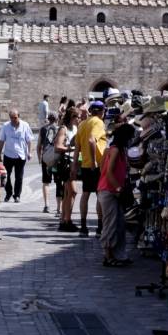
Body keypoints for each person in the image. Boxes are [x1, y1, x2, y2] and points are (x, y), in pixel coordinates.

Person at [98, 123, 135, 267]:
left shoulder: (114, 150)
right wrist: (118, 188)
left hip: (111, 190)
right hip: (110, 191)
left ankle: (118, 254)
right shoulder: (115, 150)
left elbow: (103, 168)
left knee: (119, 224)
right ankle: (108, 256)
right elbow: (108, 172)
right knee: (111, 224)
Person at [73, 101, 107, 237]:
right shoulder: (98, 122)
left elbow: (77, 147)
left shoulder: (82, 124)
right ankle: (99, 228)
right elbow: (92, 140)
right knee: (100, 195)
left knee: (85, 194)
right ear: (100, 112)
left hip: (85, 165)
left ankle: (83, 227)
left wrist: (74, 165)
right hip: (97, 165)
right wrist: (94, 162)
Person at [0, 110, 33, 203]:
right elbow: (1, 140)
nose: (13, 120)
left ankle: (17, 195)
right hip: (8, 155)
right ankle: (8, 193)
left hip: (20, 155)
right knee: (6, 176)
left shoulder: (25, 125)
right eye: (11, 118)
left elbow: (29, 140)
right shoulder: (5, 126)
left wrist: (29, 152)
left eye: (15, 118)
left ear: (19, 116)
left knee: (19, 177)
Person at [54, 106, 80, 231]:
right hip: (65, 163)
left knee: (67, 193)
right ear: (72, 117)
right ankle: (67, 220)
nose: (79, 119)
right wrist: (72, 149)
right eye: (77, 116)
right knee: (73, 191)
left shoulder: (75, 128)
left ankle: (64, 221)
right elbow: (58, 146)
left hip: (72, 163)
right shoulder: (63, 129)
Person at [36, 112, 59, 214]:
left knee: (46, 182)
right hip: (57, 158)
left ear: (48, 119)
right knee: (59, 182)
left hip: (46, 158)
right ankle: (59, 207)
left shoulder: (43, 129)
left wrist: (39, 158)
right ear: (56, 119)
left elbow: (38, 145)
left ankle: (47, 205)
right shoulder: (60, 129)